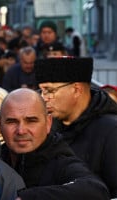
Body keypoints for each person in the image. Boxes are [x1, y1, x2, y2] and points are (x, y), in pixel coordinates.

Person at [0, 88, 110, 199]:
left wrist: (29, 197)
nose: (21, 130)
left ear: (48, 123)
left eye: (31, 121)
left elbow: (96, 191)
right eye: (11, 121)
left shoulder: (61, 163)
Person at [35, 57, 117, 198]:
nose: (44, 98)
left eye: (49, 90)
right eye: (41, 91)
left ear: (77, 89)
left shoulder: (111, 130)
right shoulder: (47, 126)